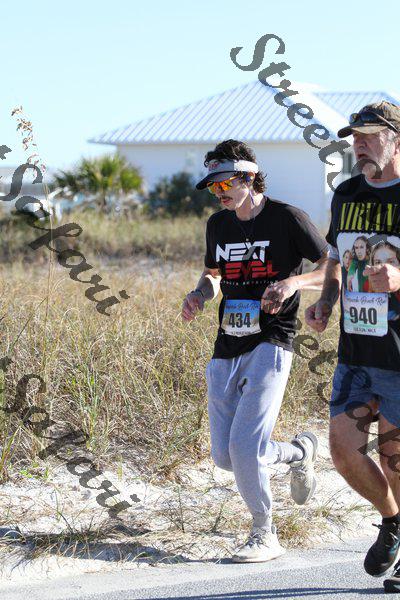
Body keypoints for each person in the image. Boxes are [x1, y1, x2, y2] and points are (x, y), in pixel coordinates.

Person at [181, 139, 329, 563]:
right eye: (212, 187)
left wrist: (292, 284)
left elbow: (330, 267)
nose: (219, 193)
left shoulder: (287, 218)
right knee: (225, 456)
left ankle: (265, 533)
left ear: (248, 177)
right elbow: (213, 274)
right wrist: (199, 294)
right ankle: (300, 452)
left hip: (272, 340)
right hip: (226, 344)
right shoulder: (218, 224)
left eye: (224, 183)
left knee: (245, 449)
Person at [305, 101, 400, 593]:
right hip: (356, 351)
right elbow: (336, 260)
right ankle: (393, 520)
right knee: (344, 452)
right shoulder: (346, 193)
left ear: (396, 139)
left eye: (368, 135)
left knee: (394, 458)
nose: (358, 144)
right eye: (354, 137)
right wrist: (325, 302)